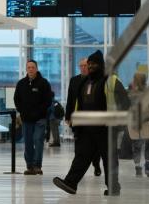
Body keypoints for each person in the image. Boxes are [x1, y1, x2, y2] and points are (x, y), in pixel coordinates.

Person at [53, 51, 127, 196]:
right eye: (89, 64)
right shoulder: (84, 82)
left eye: (94, 64)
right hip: (87, 128)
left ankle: (113, 187)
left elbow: (125, 102)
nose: (91, 66)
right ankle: (71, 183)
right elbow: (77, 104)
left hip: (106, 128)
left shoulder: (111, 81)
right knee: (82, 156)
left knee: (109, 159)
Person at [13, 60, 54, 176]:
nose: (30, 69)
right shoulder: (21, 83)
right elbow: (17, 99)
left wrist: (39, 112)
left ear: (36, 68)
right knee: (28, 142)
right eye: (28, 67)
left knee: (38, 140)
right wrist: (22, 111)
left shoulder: (44, 83)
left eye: (33, 67)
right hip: (26, 119)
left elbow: (48, 101)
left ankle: (37, 165)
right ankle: (30, 166)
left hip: (40, 119)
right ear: (26, 69)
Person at [125, 72, 149, 178]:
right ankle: (147, 167)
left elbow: (125, 105)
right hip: (147, 121)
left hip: (134, 122)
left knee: (136, 145)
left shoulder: (130, 91)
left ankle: (138, 168)